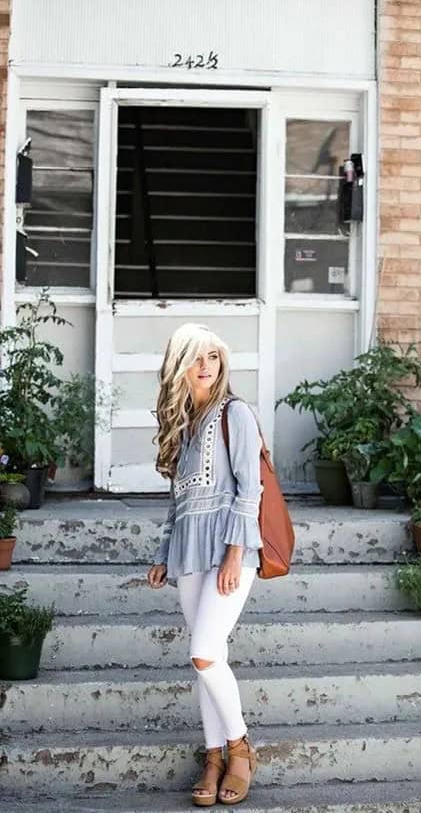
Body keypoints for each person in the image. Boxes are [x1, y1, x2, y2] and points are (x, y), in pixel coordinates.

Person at [147, 322, 262, 806]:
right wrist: (161, 554)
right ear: (179, 365)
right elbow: (178, 503)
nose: (206, 368)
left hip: (228, 551)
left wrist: (235, 553)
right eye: (196, 358)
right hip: (188, 553)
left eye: (213, 358)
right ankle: (212, 758)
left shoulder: (235, 413)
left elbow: (250, 488)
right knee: (207, 664)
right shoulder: (182, 427)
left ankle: (240, 750)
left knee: (203, 652)